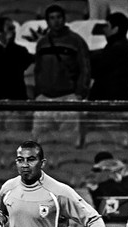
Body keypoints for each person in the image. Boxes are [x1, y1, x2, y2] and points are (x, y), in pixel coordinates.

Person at [33, 4, 91, 140]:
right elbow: (38, 69)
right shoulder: (42, 43)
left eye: (59, 17)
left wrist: (80, 94)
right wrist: (38, 93)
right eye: (52, 18)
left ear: (64, 19)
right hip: (45, 98)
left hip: (68, 97)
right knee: (39, 141)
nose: (56, 21)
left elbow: (85, 68)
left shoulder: (76, 41)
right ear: (47, 21)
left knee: (68, 140)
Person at [0, 17, 34, 100]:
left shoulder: (20, 51)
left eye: (14, 28)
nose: (14, 31)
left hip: (15, 99)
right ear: (0, 32)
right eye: (10, 29)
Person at [89, 12, 128, 101]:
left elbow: (99, 69)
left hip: (110, 98)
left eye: (107, 26)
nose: (104, 29)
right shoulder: (118, 45)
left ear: (115, 29)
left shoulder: (116, 49)